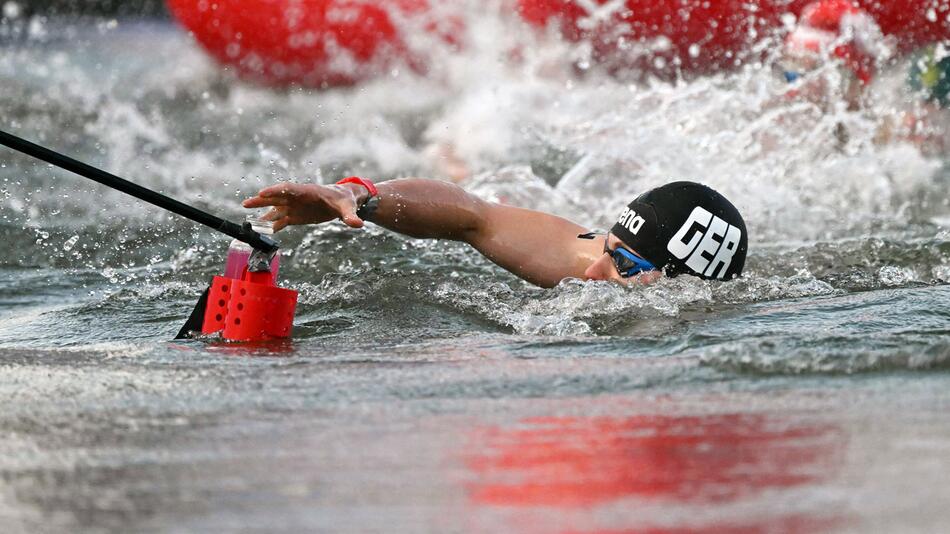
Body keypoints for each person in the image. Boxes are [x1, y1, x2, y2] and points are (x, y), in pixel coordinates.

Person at [242, 177, 748, 288]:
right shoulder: (583, 262)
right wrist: (357, 197)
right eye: (606, 247)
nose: (592, 267)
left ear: (683, 283)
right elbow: (474, 215)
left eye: (624, 264)